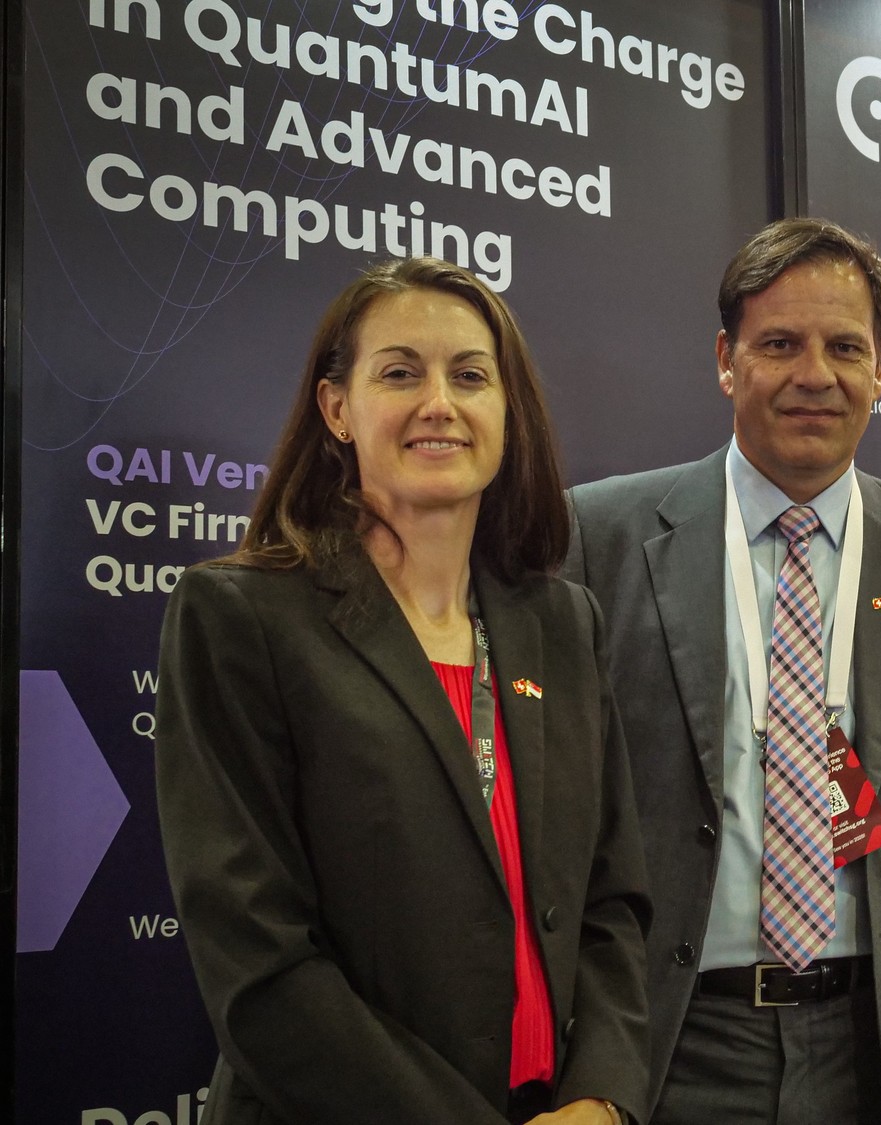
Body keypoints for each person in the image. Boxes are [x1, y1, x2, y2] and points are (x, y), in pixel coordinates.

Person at [155, 257, 651, 1125]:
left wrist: (603, 1098)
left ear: (506, 408)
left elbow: (610, 904)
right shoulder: (241, 619)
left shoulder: (562, 623)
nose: (440, 403)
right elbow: (260, 963)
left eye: (470, 375)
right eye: (399, 372)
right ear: (336, 408)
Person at [564, 217, 881, 1125]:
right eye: (780, 343)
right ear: (726, 360)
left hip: (874, 1048)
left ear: (879, 372)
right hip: (672, 1044)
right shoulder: (606, 536)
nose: (815, 374)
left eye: (845, 347)